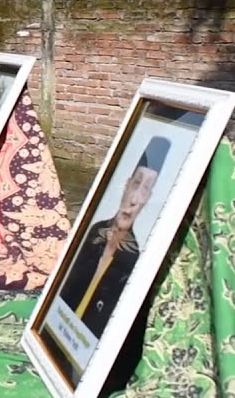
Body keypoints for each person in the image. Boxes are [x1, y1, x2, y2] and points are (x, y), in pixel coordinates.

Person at [58, 136, 169, 338]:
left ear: (149, 198)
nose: (135, 199)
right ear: (126, 185)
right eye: (136, 184)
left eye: (145, 189)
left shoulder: (134, 258)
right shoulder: (94, 232)